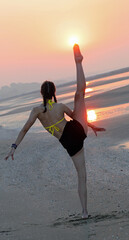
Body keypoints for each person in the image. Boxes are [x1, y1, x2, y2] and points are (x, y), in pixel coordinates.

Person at [5, 44, 105, 219]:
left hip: (69, 143)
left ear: (42, 93)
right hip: (78, 131)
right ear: (54, 93)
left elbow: (24, 130)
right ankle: (79, 63)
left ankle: (84, 213)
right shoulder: (59, 106)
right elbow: (77, 117)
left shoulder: (37, 111)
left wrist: (14, 147)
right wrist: (90, 125)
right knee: (79, 95)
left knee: (81, 176)